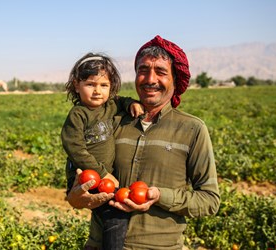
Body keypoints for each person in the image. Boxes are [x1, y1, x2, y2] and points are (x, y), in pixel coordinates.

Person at [66, 35, 220, 250]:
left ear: (176, 79)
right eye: (143, 70)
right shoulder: (111, 120)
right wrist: (77, 197)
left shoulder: (192, 129)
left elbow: (209, 201)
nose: (150, 79)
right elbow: (77, 180)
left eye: (161, 72)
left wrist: (159, 196)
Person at [61, 52, 144, 250]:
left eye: (104, 85)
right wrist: (102, 172)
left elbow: (122, 100)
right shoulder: (78, 114)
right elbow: (74, 147)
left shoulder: (109, 106)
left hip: (104, 178)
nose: (97, 91)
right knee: (115, 215)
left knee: (113, 210)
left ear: (111, 88)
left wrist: (132, 103)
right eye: (90, 84)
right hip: (86, 176)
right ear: (76, 85)